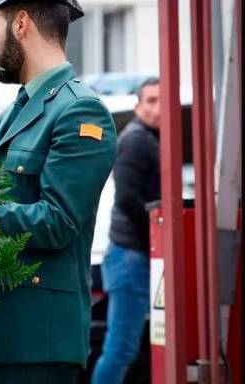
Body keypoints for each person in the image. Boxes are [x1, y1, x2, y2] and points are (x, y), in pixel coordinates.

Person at [0, 0, 117, 383]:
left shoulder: (79, 110)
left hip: (35, 339)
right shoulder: (10, 115)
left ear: (22, 24)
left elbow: (60, 221)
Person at [92, 78, 160, 383]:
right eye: (151, 101)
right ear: (138, 106)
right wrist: (160, 236)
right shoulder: (137, 139)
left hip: (133, 255)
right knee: (121, 348)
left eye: (163, 100)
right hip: (129, 255)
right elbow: (128, 199)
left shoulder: (150, 138)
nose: (158, 108)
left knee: (127, 347)